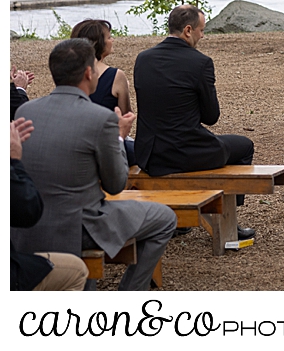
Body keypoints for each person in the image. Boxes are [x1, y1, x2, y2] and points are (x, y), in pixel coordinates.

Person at [11, 39, 176, 291]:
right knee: (164, 217)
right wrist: (120, 137)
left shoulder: (26, 110)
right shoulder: (101, 118)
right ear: (89, 73)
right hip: (79, 226)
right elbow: (116, 184)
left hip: (26, 226)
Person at [133, 4, 256, 240]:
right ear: (188, 30)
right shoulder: (200, 63)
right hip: (185, 152)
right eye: (201, 30)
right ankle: (229, 218)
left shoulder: (143, 59)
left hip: (150, 155)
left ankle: (179, 221)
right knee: (244, 146)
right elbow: (211, 117)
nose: (203, 35)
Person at [11, 118, 89, 291]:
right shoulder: (100, 119)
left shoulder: (26, 112)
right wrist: (14, 161)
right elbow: (28, 210)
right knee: (76, 271)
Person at [70, 19, 136, 166]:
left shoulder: (68, 73)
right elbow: (126, 118)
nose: (112, 40)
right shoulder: (115, 75)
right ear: (98, 43)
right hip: (107, 147)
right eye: (109, 37)